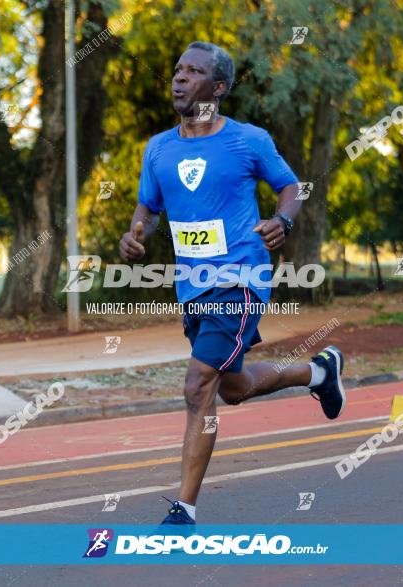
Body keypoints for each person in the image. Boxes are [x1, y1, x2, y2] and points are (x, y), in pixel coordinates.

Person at [119, 41, 347, 526]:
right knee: (233, 388)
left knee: (198, 383)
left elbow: (291, 188)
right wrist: (135, 235)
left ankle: (183, 509)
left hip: (240, 278)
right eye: (177, 69)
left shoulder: (248, 140)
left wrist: (282, 221)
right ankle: (320, 373)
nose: (179, 78)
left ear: (217, 87)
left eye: (194, 71)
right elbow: (149, 209)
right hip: (192, 286)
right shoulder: (158, 148)